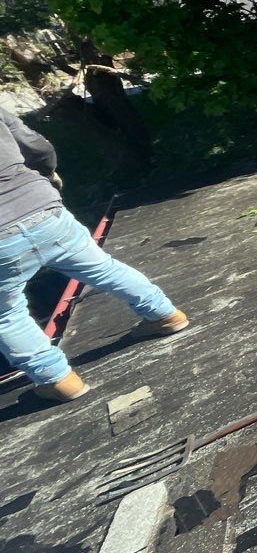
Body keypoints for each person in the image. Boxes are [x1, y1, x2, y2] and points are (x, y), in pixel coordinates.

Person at [0, 108, 190, 402]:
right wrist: (45, 177)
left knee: (7, 314)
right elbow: (38, 148)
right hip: (42, 208)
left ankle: (57, 380)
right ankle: (164, 314)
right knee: (104, 268)